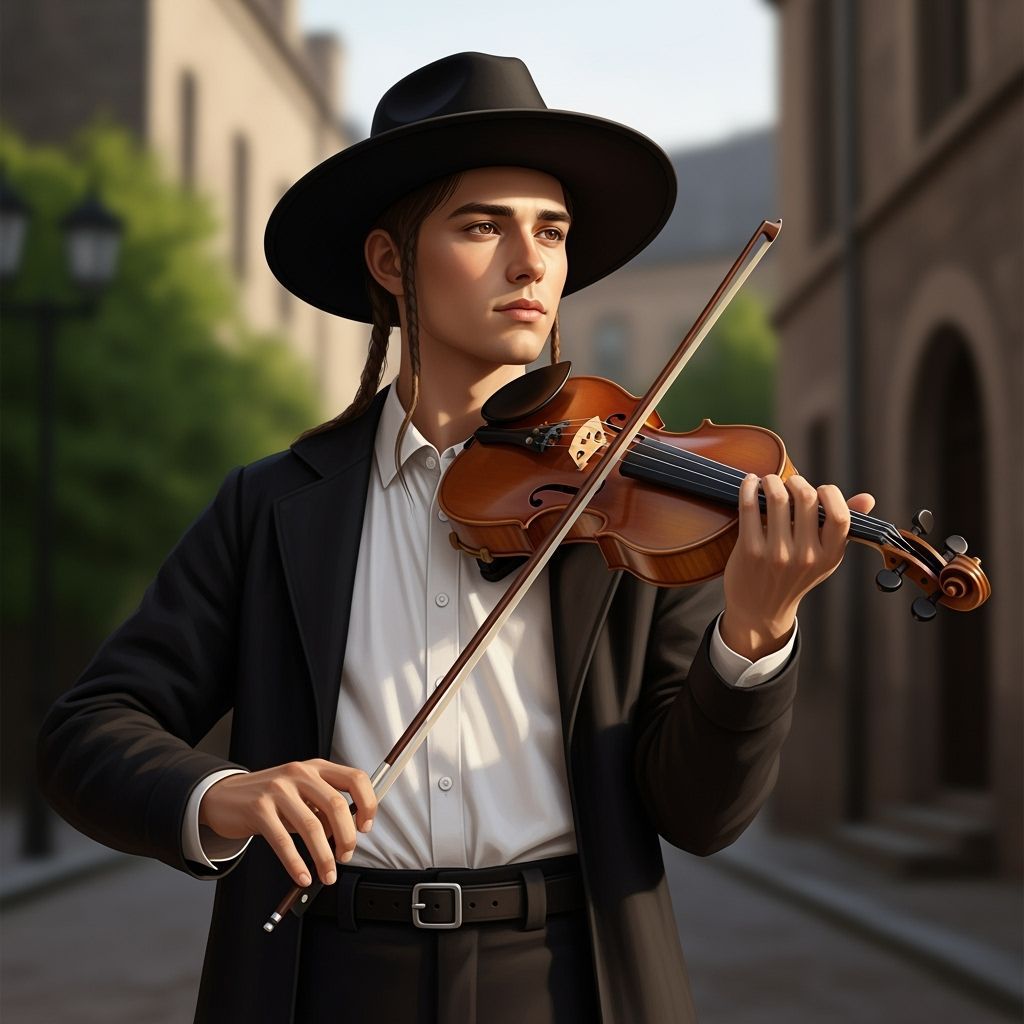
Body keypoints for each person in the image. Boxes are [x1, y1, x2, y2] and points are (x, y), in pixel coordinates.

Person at [37, 52, 874, 1023]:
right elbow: (87, 732)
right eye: (483, 226)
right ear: (390, 262)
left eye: (551, 231)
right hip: (325, 978)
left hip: (570, 978)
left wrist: (754, 636)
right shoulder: (270, 506)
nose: (531, 263)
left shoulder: (631, 496)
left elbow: (700, 815)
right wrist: (225, 794)